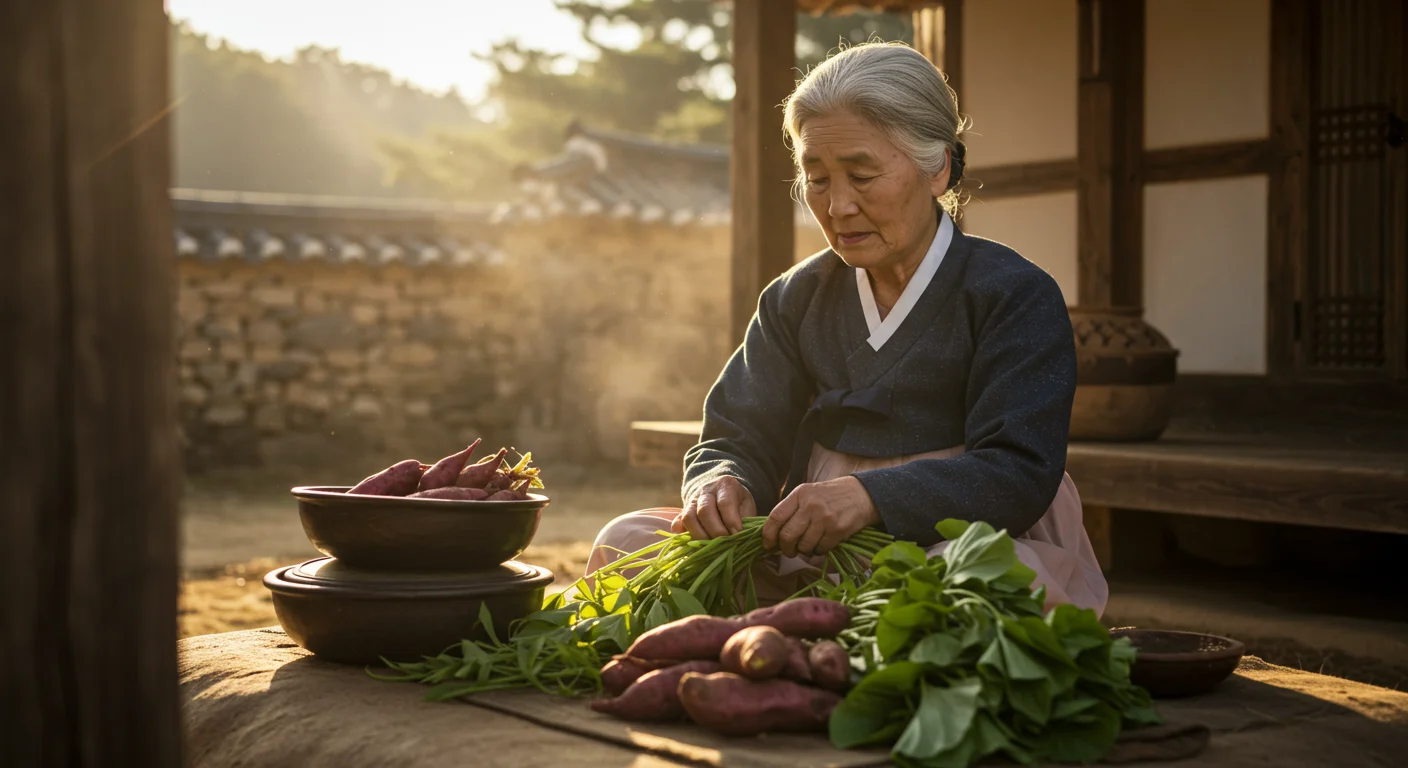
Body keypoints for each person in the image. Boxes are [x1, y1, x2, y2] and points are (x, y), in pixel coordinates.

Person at [585, 41, 1107, 617]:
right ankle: (810, 630)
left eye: (861, 175)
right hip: (813, 547)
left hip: (963, 539)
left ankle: (802, 633)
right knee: (626, 543)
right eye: (817, 179)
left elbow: (1018, 469)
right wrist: (719, 482)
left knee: (978, 585)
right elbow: (738, 433)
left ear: (938, 168)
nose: (837, 207)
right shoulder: (795, 299)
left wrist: (867, 498)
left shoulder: (1012, 294)